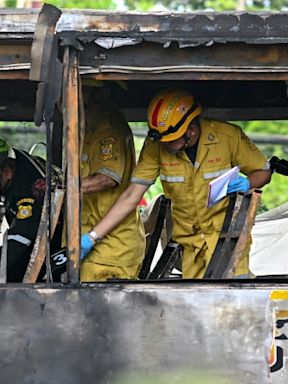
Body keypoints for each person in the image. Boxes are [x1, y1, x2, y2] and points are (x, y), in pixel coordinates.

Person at [81, 88, 272, 279]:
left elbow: (264, 172)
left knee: (234, 300)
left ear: (190, 130)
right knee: (196, 303)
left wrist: (248, 183)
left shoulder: (228, 137)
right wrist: (92, 237)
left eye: (170, 140)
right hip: (190, 243)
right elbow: (131, 196)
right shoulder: (154, 147)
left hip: (228, 240)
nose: (164, 145)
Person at [0, 134, 61, 283]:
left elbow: (17, 242)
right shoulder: (7, 165)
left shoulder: (30, 192)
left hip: (60, 242)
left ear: (6, 173)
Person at [79, 83, 145, 282]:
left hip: (111, 251)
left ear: (98, 95)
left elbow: (107, 178)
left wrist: (64, 189)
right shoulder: (90, 127)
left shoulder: (109, 128)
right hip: (95, 243)